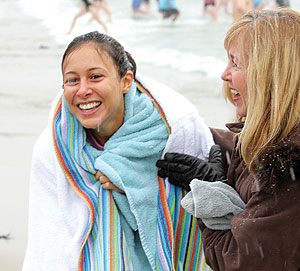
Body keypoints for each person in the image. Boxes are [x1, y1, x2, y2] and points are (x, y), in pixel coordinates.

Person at [22, 31, 216, 270]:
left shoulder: (174, 130)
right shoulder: (54, 147)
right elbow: (50, 236)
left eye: (95, 76)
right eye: (72, 80)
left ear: (125, 81)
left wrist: (135, 184)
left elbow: (212, 204)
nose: (83, 90)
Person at [157, 8, 300, 270]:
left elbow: (240, 260)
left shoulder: (288, 165)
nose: (224, 74)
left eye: (236, 63)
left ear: (270, 74)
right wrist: (174, 132)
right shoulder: (271, 140)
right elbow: (238, 146)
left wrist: (212, 194)